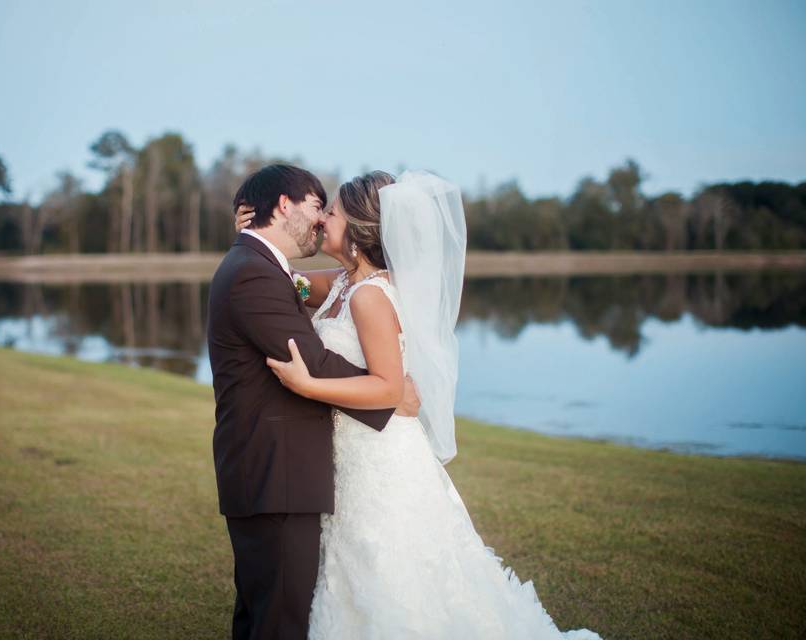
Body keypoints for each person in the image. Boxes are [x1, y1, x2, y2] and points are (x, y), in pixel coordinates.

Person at [240, 169, 603, 639]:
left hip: (378, 456)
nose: (322, 219)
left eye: (331, 213)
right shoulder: (346, 284)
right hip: (354, 452)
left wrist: (308, 385)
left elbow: (390, 390)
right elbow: (288, 280)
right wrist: (253, 233)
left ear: (358, 230)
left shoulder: (370, 296)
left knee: (393, 573)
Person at [206, 164, 421, 640]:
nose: (323, 219)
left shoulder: (346, 286)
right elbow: (314, 360)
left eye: (333, 211)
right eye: (317, 207)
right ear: (284, 205)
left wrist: (388, 387)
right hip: (278, 469)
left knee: (278, 608)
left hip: (334, 461)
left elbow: (296, 292)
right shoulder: (263, 273)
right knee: (277, 613)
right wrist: (389, 391)